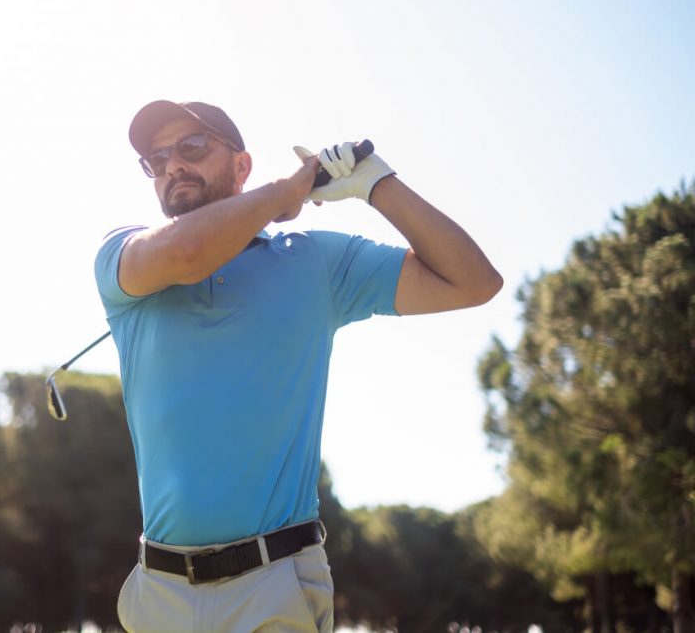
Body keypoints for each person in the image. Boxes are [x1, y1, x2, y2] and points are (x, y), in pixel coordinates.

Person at [94, 100, 502, 633]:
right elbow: (187, 253)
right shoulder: (123, 255)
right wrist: (285, 192)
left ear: (242, 166)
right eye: (156, 158)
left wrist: (377, 185)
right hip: (159, 597)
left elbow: (473, 281)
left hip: (275, 585)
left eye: (192, 147)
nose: (172, 165)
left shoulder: (315, 261)